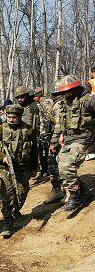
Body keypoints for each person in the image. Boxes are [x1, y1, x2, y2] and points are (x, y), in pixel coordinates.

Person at [0, 104, 38, 238]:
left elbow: (34, 151)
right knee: (7, 193)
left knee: (22, 192)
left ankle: (16, 209)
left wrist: (35, 168)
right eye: (8, 117)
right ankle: (8, 221)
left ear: (19, 117)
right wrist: (2, 157)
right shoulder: (0, 129)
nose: (11, 120)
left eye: (14, 117)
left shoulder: (29, 130)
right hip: (5, 168)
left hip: (23, 167)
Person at [50, 75, 95, 211]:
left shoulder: (88, 100)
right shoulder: (64, 103)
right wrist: (56, 140)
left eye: (68, 91)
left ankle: (75, 197)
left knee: (66, 165)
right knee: (60, 163)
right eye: (64, 92)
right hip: (70, 139)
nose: (66, 94)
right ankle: (84, 192)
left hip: (84, 138)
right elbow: (61, 123)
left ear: (76, 88)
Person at [34, 85, 65, 203]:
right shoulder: (49, 103)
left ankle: (67, 190)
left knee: (55, 162)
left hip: (57, 136)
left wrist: (52, 139)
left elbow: (54, 121)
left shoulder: (49, 103)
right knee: (54, 162)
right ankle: (59, 189)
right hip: (53, 135)